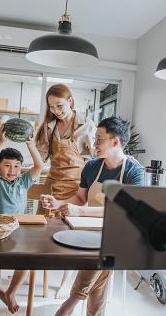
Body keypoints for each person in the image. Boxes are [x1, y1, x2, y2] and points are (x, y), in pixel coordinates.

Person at [41, 117, 144, 316]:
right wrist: (58, 203)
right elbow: (80, 198)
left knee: (102, 251)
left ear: (115, 142)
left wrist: (81, 211)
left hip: (121, 234)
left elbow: (124, 211)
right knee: (101, 267)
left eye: (99, 139)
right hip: (93, 232)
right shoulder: (92, 167)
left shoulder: (134, 172)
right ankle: (87, 311)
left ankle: (69, 304)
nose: (93, 143)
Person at [34, 83, 97, 298]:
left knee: (70, 233)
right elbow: (41, 158)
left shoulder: (86, 125)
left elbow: (96, 158)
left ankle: (65, 281)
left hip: (76, 184)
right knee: (41, 227)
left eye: (59, 105)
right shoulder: (49, 126)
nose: (55, 110)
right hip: (53, 180)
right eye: (51, 107)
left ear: (70, 100)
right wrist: (32, 142)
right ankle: (28, 270)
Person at [0, 124, 43, 314]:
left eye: (17, 166)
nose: (12, 170)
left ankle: (11, 292)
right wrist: (1, 141)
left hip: (19, 231)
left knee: (26, 262)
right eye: (7, 165)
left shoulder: (24, 182)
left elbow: (39, 166)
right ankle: (2, 292)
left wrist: (31, 145)